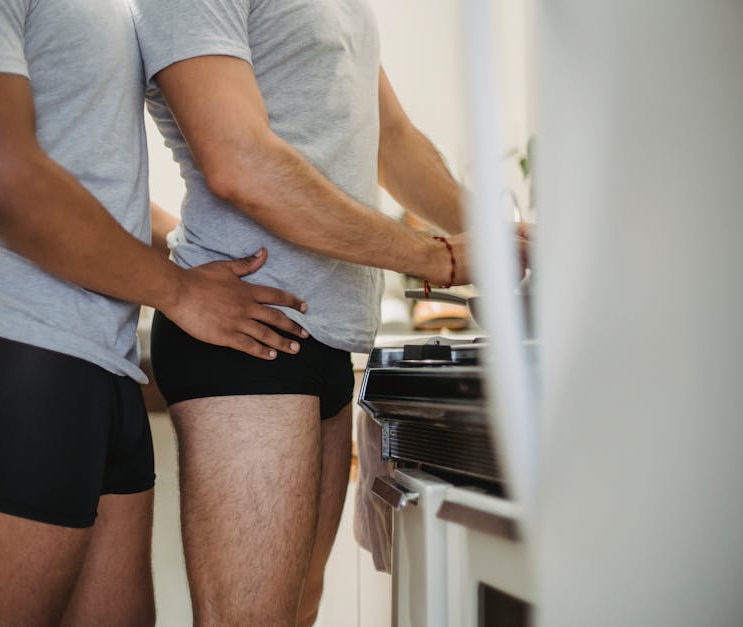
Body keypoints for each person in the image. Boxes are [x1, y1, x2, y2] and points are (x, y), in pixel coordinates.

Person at [0, 0, 309, 624]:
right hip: (4, 329)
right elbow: (4, 181)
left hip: (99, 347)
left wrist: (198, 258)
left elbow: (96, 179)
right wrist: (182, 292)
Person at [130, 0, 530, 624]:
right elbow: (239, 162)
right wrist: (436, 257)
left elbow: (392, 139)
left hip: (329, 330)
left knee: (297, 611)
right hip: (248, 325)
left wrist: (504, 238)